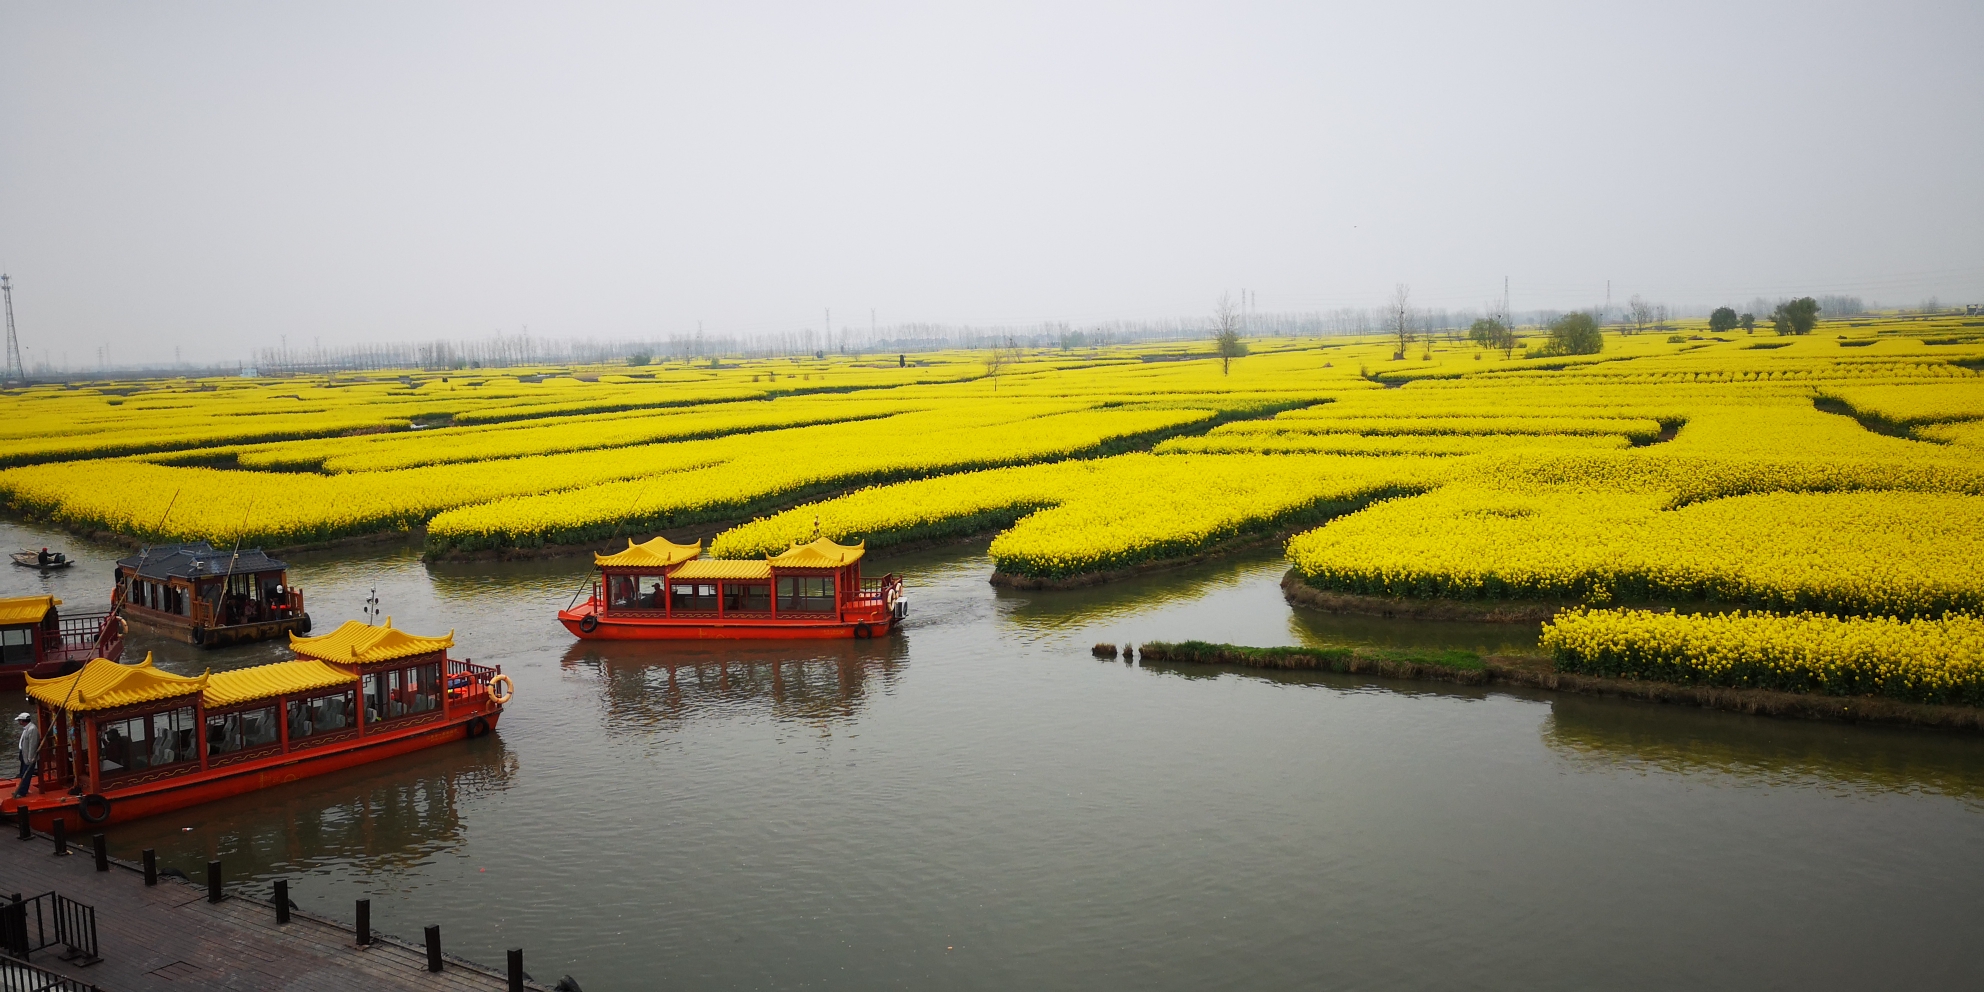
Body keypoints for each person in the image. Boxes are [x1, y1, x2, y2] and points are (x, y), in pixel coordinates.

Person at [13, 713, 39, 798]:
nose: (19, 722)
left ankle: (22, 792)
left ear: (23, 721)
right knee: (22, 773)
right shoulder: (26, 729)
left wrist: (30, 758)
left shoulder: (32, 729)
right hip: (23, 754)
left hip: (28, 756)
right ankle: (22, 789)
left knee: (26, 773)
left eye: (19, 720)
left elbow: (33, 745)